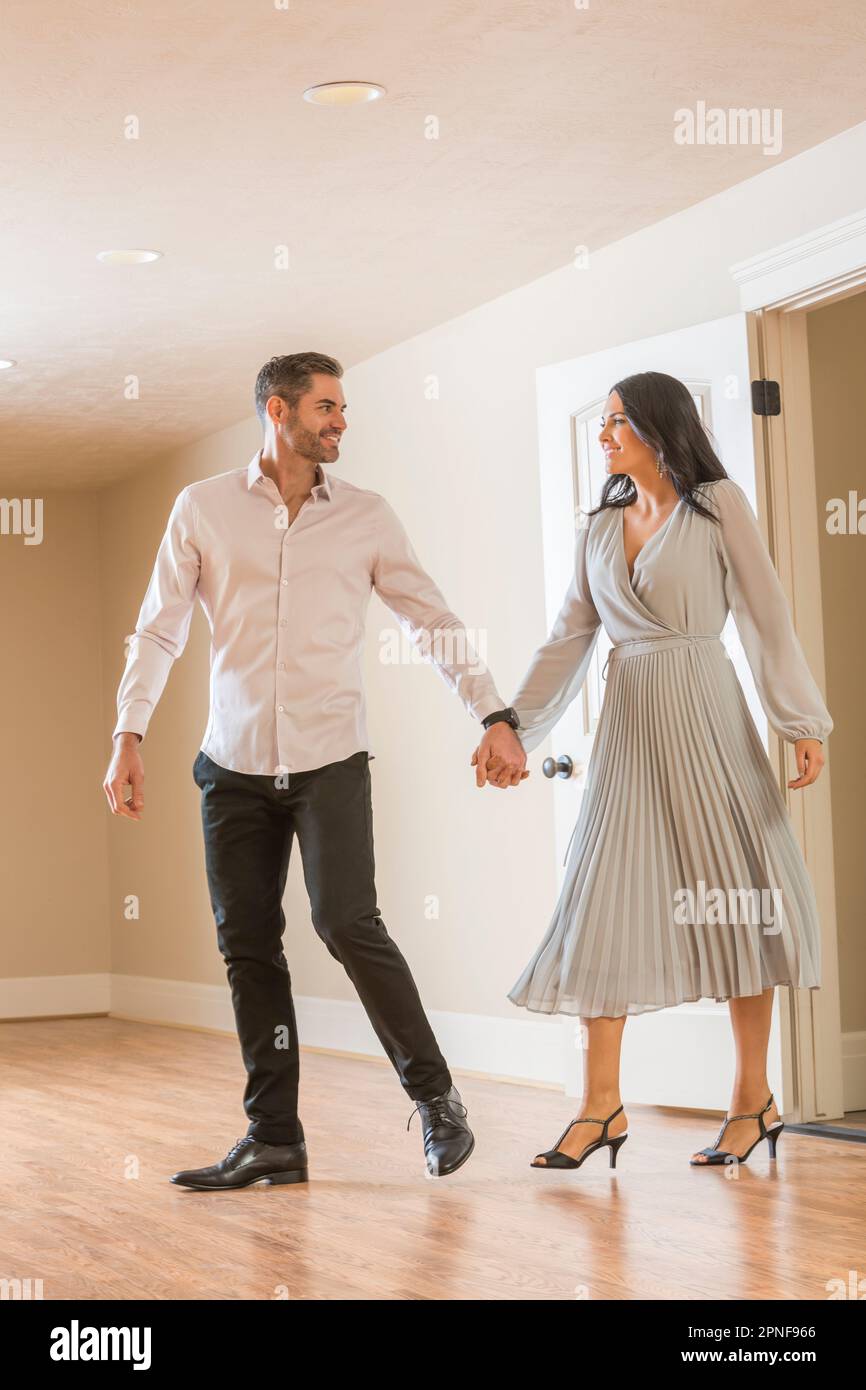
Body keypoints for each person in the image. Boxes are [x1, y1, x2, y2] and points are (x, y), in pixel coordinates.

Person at [103, 350, 526, 1188]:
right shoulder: (204, 509)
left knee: (345, 921)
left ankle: (436, 1100)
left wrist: (495, 714)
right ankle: (274, 1137)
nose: (340, 422)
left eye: (341, 408)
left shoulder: (365, 517)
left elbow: (429, 619)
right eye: (326, 407)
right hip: (234, 768)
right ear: (278, 411)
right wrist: (129, 734)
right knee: (249, 946)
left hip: (331, 758)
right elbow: (159, 630)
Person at [472, 370, 831, 1172]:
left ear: (661, 427)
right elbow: (568, 637)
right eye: (601, 422)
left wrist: (799, 723)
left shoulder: (717, 507)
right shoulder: (599, 526)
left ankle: (752, 1101)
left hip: (708, 715)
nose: (604, 436)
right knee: (599, 899)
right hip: (629, 726)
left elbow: (766, 615)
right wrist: (514, 729)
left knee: (741, 899)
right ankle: (600, 1107)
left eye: (619, 422)